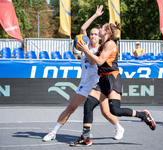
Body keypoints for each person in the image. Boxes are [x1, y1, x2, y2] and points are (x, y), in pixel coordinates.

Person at [70, 11, 156, 147]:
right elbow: (93, 60)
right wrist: (84, 49)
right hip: (102, 80)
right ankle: (86, 137)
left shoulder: (110, 44)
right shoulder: (100, 46)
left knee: (115, 110)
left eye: (102, 28)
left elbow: (99, 62)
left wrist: (85, 50)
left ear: (107, 32)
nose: (99, 30)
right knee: (88, 104)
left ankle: (143, 115)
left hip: (112, 78)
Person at [43, 5, 124, 142]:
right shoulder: (83, 44)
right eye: (91, 34)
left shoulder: (102, 49)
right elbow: (82, 29)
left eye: (95, 34)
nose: (93, 36)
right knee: (71, 108)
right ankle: (53, 132)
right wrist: (95, 15)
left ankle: (118, 127)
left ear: (100, 36)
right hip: (85, 83)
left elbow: (96, 62)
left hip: (98, 85)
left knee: (106, 112)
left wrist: (87, 50)